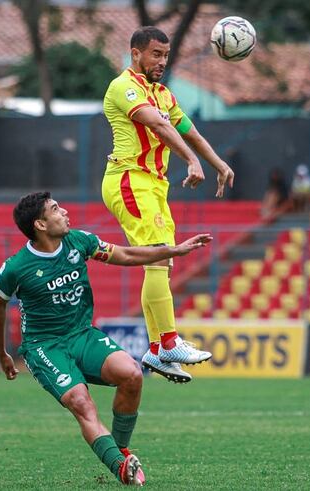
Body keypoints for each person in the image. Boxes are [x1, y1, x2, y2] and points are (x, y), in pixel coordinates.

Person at [0, 192, 213, 486]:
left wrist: (173, 251)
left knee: (132, 375)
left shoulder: (79, 241)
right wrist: (2, 353)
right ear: (40, 225)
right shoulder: (16, 267)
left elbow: (127, 254)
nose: (65, 211)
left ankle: (120, 453)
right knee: (82, 402)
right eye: (56, 209)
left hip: (82, 335)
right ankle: (121, 468)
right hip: (45, 347)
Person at [101, 26, 234, 383]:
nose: (162, 61)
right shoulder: (124, 87)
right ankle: (169, 341)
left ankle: (159, 349)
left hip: (153, 185)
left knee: (161, 261)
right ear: (136, 54)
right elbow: (158, 126)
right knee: (159, 254)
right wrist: (191, 161)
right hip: (129, 179)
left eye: (165, 54)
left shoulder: (163, 93)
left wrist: (217, 163)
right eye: (156, 54)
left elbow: (188, 130)